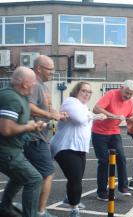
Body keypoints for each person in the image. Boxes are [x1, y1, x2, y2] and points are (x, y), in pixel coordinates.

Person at [50, 82, 106, 217]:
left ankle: (70, 198)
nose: (87, 94)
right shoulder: (70, 102)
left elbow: (85, 119)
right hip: (65, 147)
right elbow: (80, 120)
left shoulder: (84, 107)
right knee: (75, 179)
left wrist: (93, 115)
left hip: (79, 148)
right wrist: (94, 116)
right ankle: (74, 209)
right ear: (76, 91)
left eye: (89, 92)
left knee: (76, 178)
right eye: (84, 91)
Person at [24, 55, 68, 217]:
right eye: (50, 69)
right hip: (34, 138)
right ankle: (40, 212)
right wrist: (51, 116)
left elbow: (49, 109)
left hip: (41, 138)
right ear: (39, 69)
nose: (52, 72)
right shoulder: (34, 84)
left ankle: (12, 205)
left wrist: (59, 114)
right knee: (47, 173)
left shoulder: (44, 87)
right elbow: (29, 107)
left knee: (27, 177)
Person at [0, 67, 44, 217]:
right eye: (33, 82)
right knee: (34, 179)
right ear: (25, 83)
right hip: (6, 151)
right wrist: (28, 126)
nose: (35, 85)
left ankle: (4, 208)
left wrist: (32, 126)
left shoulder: (21, 96)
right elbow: (6, 129)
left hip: (13, 149)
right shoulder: (10, 98)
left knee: (19, 177)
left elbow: (16, 122)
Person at [92, 80, 133, 200]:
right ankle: (101, 192)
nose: (127, 96)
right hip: (99, 132)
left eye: (130, 94)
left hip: (114, 132)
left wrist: (131, 119)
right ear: (121, 88)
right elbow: (96, 108)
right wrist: (114, 116)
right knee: (104, 161)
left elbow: (129, 116)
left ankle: (123, 187)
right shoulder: (111, 94)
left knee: (121, 158)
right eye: (126, 93)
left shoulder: (130, 102)